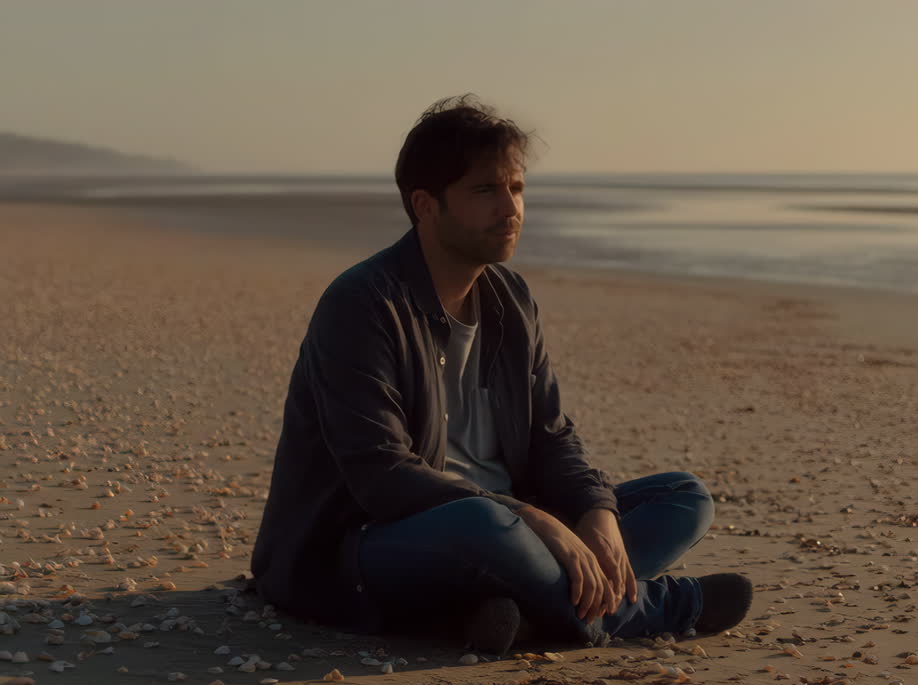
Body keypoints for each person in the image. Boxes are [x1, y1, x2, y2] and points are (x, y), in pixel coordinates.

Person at [249, 95, 752, 655]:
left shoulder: (511, 300)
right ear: (426, 205)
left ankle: (516, 610)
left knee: (684, 496)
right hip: (368, 546)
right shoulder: (364, 304)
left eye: (516, 188)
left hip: (508, 529)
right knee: (483, 529)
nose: (510, 208)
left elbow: (551, 436)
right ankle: (662, 607)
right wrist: (530, 518)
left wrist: (596, 514)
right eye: (486, 191)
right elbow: (382, 476)